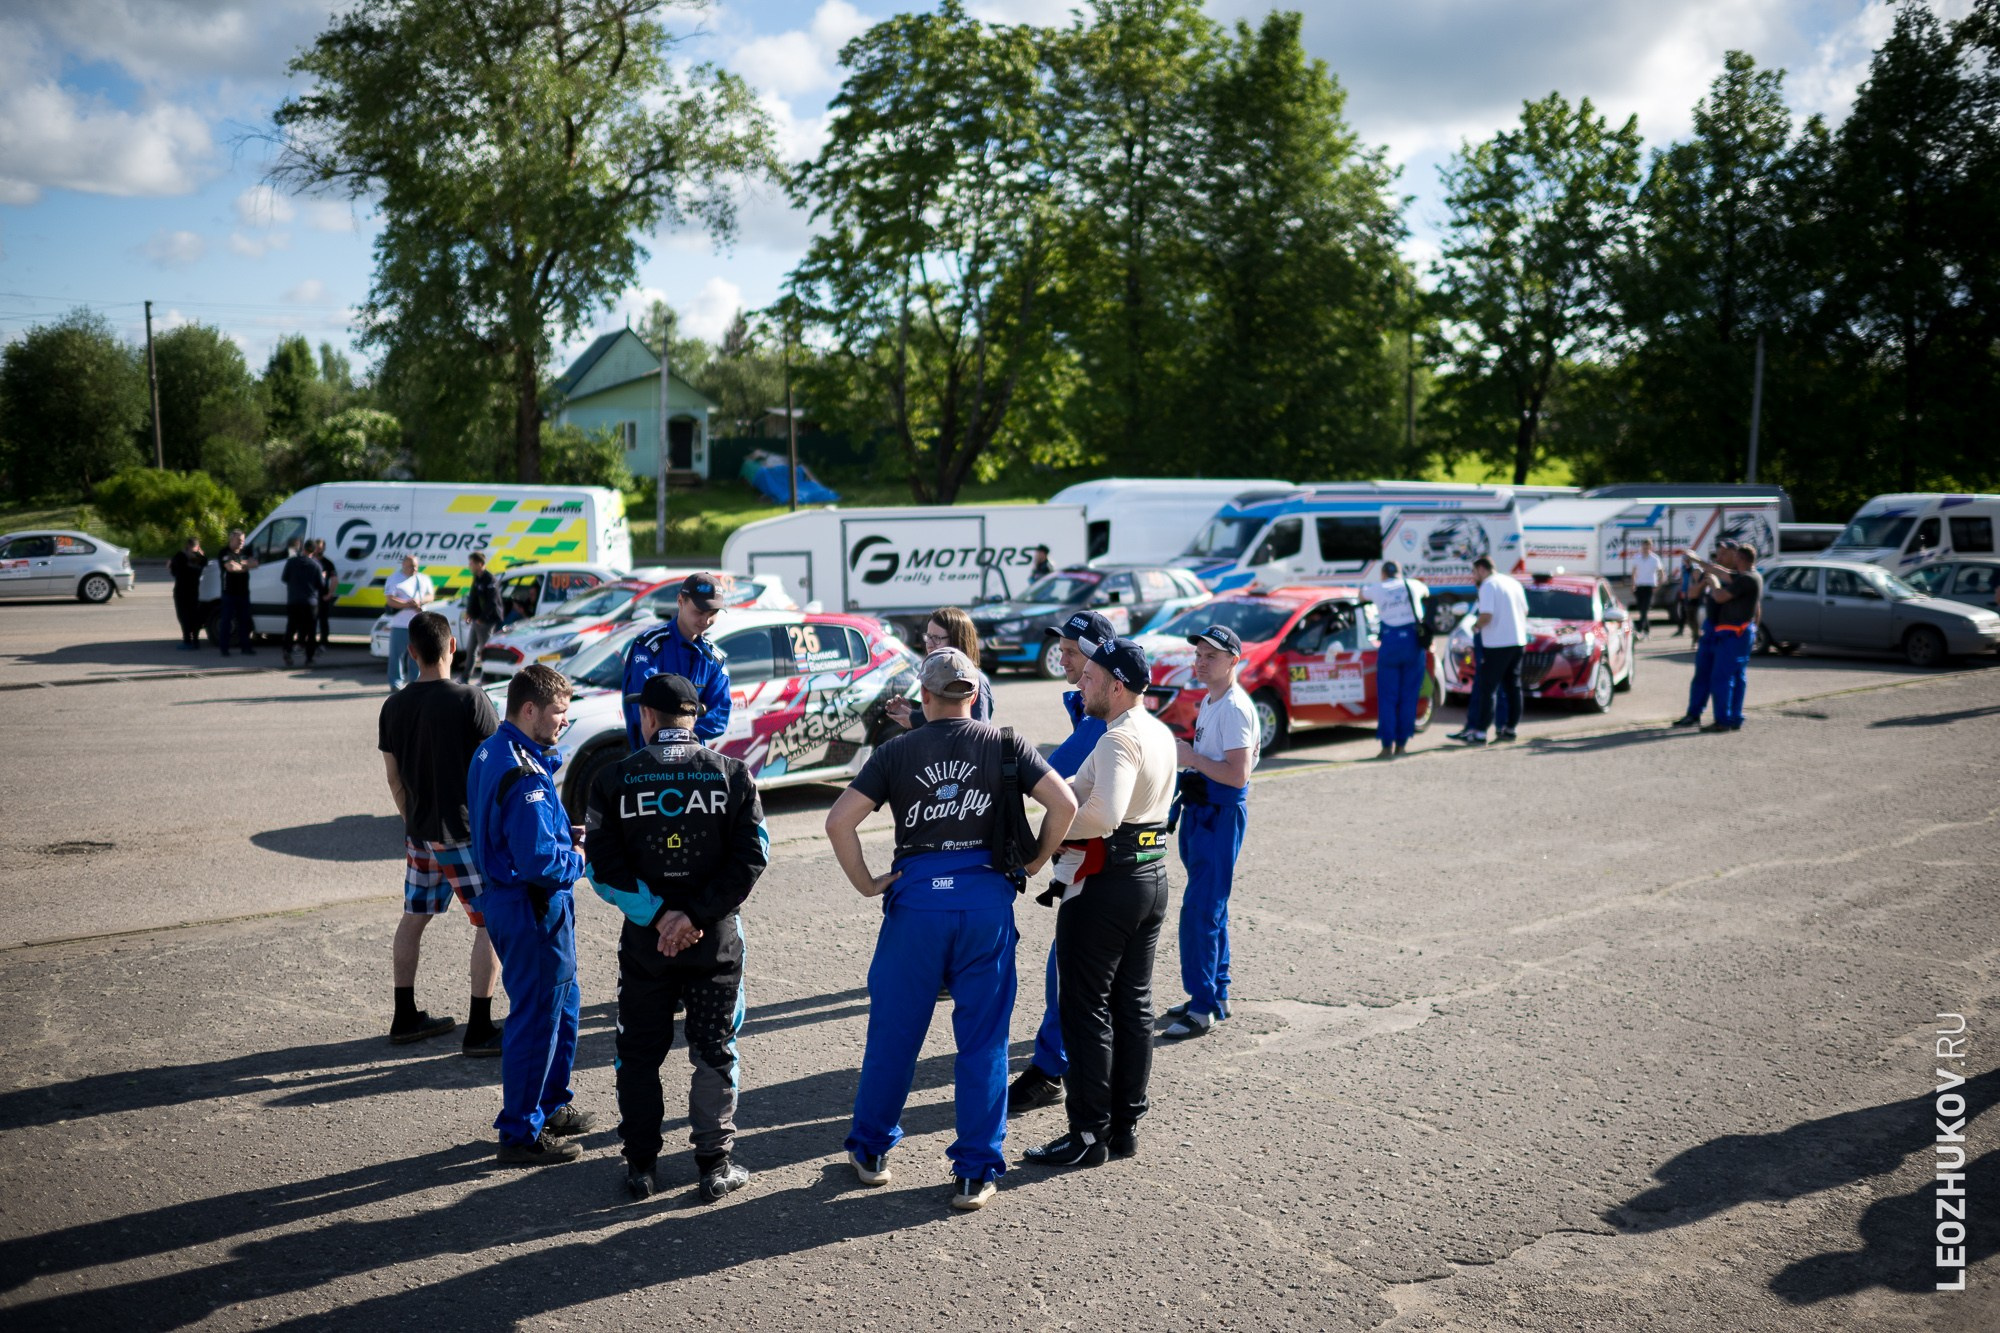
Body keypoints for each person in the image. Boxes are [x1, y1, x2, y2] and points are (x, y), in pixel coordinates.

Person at [825, 648, 1078, 1211]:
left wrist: (868, 883)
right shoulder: (1005, 743)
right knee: (983, 1042)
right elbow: (1063, 801)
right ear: (973, 694)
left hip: (917, 906)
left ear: (924, 696)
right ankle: (975, 1171)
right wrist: (1037, 860)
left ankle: (870, 1151)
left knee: (894, 1033)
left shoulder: (897, 750)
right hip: (985, 904)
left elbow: (838, 820)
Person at [585, 673, 769, 1203]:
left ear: (647, 717)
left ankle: (640, 1166)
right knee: (714, 1048)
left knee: (638, 1053)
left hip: (647, 943)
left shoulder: (613, 777)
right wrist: (693, 916)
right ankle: (715, 1164)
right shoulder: (734, 773)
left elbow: (600, 865)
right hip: (716, 941)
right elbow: (754, 856)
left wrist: (662, 917)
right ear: (697, 717)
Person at [1024, 636, 1176, 1168]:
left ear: (1116, 684)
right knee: (1132, 1005)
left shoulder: (1118, 739)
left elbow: (1102, 813)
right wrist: (1041, 789)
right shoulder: (1153, 731)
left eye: (1089, 677)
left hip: (1108, 883)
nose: (1080, 684)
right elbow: (1073, 786)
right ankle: (1125, 1126)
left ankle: (1088, 1134)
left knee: (1085, 1009)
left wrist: (1040, 841)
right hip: (1151, 876)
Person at [467, 665, 594, 1165]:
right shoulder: (524, 774)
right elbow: (543, 864)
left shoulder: (494, 749)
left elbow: (520, 832)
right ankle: (521, 1133)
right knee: (537, 1019)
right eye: (559, 713)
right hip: (532, 909)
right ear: (529, 710)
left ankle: (550, 1104)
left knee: (562, 1009)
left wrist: (566, 833)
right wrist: (582, 856)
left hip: (514, 902)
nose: (564, 722)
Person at [378, 611, 504, 1054]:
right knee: (490, 922)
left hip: (420, 834)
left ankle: (404, 1015)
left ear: (411, 652)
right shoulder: (472, 700)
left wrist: (413, 821)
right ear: (453, 646)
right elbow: (498, 771)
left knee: (413, 919)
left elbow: (394, 779)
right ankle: (480, 1027)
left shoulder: (392, 706)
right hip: (465, 835)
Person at [1007, 609, 1115, 1118]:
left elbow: (1048, 775)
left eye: (1072, 651)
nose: (1062, 657)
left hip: (1105, 864)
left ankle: (1053, 1071)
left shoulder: (1102, 718)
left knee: (1068, 969)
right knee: (1084, 973)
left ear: (1096, 658)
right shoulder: (1088, 702)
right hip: (1095, 860)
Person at [1159, 624, 1258, 1041]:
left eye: (1211, 655)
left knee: (1201, 910)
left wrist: (1191, 758)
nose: (1200, 661)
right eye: (1198, 654)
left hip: (1219, 816)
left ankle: (1202, 1009)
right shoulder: (1211, 698)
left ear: (1234, 660)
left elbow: (1237, 775)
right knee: (1210, 906)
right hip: (1204, 813)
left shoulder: (1234, 706)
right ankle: (1215, 992)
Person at [623, 573, 731, 750]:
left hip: (692, 764)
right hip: (650, 760)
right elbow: (647, 714)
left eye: (713, 613)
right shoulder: (648, 648)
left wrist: (671, 718)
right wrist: (697, 710)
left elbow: (719, 720)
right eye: (700, 611)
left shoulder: (715, 660)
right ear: (680, 601)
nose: (706, 620)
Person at [1672, 541, 1762, 734]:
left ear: (1736, 556)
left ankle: (1725, 719)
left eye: (1724, 553)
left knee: (1723, 677)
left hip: (1733, 633)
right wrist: (1699, 567)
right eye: (1718, 553)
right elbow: (1696, 588)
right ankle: (1703, 715)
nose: (1719, 557)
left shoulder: (1745, 578)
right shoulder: (1736, 575)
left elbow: (1745, 604)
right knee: (1708, 676)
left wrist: (1712, 584)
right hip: (1716, 630)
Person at [1451, 556, 1528, 746]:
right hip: (1517, 641)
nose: (1473, 576)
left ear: (1481, 569)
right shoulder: (1513, 583)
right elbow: (1525, 610)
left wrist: (1475, 627)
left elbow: (1486, 615)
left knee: (1488, 689)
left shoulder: (1488, 585)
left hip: (1496, 644)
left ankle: (1480, 732)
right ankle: (1510, 729)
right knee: (1513, 687)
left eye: (1474, 572)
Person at [1362, 561, 1430, 758]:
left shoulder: (1377, 588)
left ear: (1383, 574)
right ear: (1400, 573)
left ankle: (1386, 746)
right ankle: (1402, 744)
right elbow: (1426, 592)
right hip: (1412, 645)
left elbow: (1360, 595)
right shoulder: (1412, 584)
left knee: (1388, 698)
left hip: (1390, 644)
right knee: (1408, 696)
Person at [885, 606, 994, 729]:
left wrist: (915, 721)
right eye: (928, 637)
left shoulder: (976, 681)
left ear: (958, 640)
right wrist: (913, 710)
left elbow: (973, 735)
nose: (929, 644)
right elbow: (941, 718)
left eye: (936, 638)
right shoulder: (934, 674)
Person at [383, 554, 434, 692]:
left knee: (417, 655)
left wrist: (420, 601)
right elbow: (390, 599)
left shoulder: (423, 579)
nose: (414, 568)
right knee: (397, 655)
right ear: (404, 565)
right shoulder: (394, 579)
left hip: (419, 624)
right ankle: (396, 683)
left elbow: (431, 595)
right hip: (400, 624)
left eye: (416, 565)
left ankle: (416, 682)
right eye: (411, 566)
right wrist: (407, 604)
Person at [281, 539, 325, 667]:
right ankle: (309, 658)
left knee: (291, 628)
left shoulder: (291, 562)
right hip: (310, 603)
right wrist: (322, 576)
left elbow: (284, 578)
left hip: (293, 601)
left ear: (303, 548)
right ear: (314, 550)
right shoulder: (316, 565)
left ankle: (287, 651)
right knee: (311, 631)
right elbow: (321, 585)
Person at [461, 550, 502, 683]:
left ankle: (488, 677)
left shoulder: (489, 579)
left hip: (486, 621)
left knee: (485, 650)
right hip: (477, 620)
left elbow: (492, 602)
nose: (470, 566)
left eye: (472, 563)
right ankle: (465, 677)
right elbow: (473, 597)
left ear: (480, 564)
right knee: (471, 648)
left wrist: (482, 618)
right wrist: (470, 613)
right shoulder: (477, 578)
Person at [215, 529, 256, 657]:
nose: (241, 543)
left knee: (245, 621)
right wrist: (245, 565)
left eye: (243, 540)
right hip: (229, 593)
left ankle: (246, 647)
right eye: (239, 540)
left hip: (244, 592)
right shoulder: (224, 552)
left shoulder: (246, 551)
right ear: (231, 539)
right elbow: (230, 568)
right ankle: (224, 649)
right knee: (226, 622)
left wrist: (240, 565)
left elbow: (255, 563)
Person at [168, 536, 206, 650]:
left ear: (187, 546)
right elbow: (204, 562)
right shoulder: (200, 558)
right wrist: (200, 555)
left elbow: (173, 570)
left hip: (181, 591)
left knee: (184, 616)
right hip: (193, 591)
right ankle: (195, 640)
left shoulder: (179, 557)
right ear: (198, 547)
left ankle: (187, 640)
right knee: (194, 616)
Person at [1631, 538, 1663, 639]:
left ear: (1650, 547)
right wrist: (1633, 584)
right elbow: (1634, 571)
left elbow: (1661, 572)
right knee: (1641, 609)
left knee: (1645, 608)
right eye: (1644, 546)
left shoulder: (1655, 559)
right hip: (1639, 586)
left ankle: (1640, 629)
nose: (1645, 548)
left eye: (1647, 546)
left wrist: (1658, 584)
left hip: (1649, 586)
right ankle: (1647, 630)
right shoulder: (1637, 557)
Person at [312, 539, 338, 648]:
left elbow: (334, 580)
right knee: (310, 621)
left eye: (321, 548)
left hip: (323, 595)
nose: (319, 550)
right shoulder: (310, 561)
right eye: (318, 547)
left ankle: (323, 642)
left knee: (323, 620)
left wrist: (330, 594)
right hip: (311, 596)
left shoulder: (328, 563)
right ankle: (310, 642)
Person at [1673, 552, 1699, 637]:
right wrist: (1681, 591)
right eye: (1684, 559)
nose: (1686, 561)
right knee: (1683, 612)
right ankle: (1680, 630)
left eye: (1687, 559)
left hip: (1691, 594)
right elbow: (1682, 580)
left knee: (1692, 614)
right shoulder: (1683, 568)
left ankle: (1695, 633)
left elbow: (1695, 582)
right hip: (1684, 593)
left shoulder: (1694, 569)